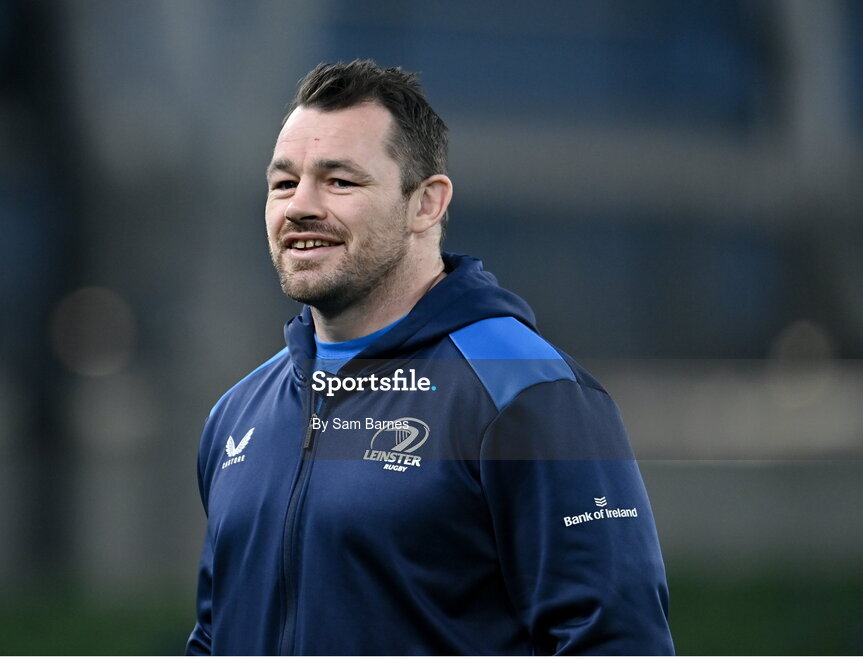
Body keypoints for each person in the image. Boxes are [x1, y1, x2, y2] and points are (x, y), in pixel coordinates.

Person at [186, 59, 674, 655]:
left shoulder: (526, 390)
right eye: (284, 183)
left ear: (426, 204)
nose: (300, 207)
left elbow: (615, 640)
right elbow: (214, 637)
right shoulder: (238, 413)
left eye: (340, 182)